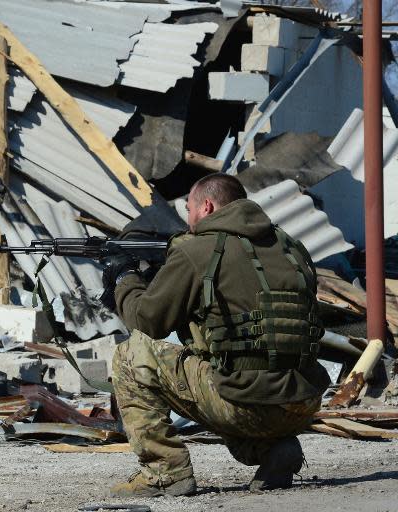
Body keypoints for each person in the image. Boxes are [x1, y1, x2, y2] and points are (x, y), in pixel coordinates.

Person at [101, 174, 331, 497]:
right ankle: (273, 450)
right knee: (227, 364)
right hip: (302, 404)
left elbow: (149, 320)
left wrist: (124, 279)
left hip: (247, 405)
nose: (188, 222)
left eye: (189, 210)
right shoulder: (292, 248)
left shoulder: (199, 251)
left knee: (131, 355)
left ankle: (164, 472)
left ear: (207, 207)